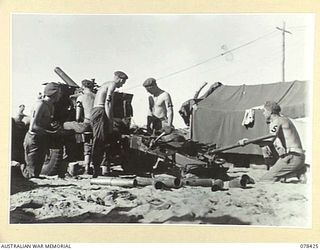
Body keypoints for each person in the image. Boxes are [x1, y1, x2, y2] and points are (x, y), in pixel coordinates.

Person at [238, 101, 305, 182]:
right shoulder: (284, 119)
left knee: (265, 179)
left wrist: (248, 141)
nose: (263, 113)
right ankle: (294, 174)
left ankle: (291, 175)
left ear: (270, 112)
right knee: (276, 174)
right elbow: (270, 142)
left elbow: (269, 140)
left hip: (292, 156)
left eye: (264, 111)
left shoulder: (277, 120)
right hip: (297, 156)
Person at [22, 82, 64, 178]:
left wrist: (53, 126)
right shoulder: (40, 104)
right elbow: (33, 127)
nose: (60, 95)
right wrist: (51, 133)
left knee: (36, 173)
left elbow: (44, 123)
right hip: (34, 139)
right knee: (30, 174)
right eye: (59, 93)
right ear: (54, 93)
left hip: (41, 140)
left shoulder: (51, 106)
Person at [90, 71, 128, 178]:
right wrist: (109, 119)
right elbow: (108, 103)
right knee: (99, 140)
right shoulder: (112, 84)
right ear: (120, 79)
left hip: (97, 111)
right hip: (100, 111)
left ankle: (99, 167)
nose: (122, 85)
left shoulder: (105, 84)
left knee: (103, 140)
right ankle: (96, 169)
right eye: (123, 82)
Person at [63, 79, 96, 173]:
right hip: (95, 125)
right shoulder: (96, 96)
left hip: (86, 124)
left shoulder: (81, 97)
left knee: (64, 125)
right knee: (88, 143)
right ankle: (87, 168)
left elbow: (77, 117)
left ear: (83, 87)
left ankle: (67, 158)